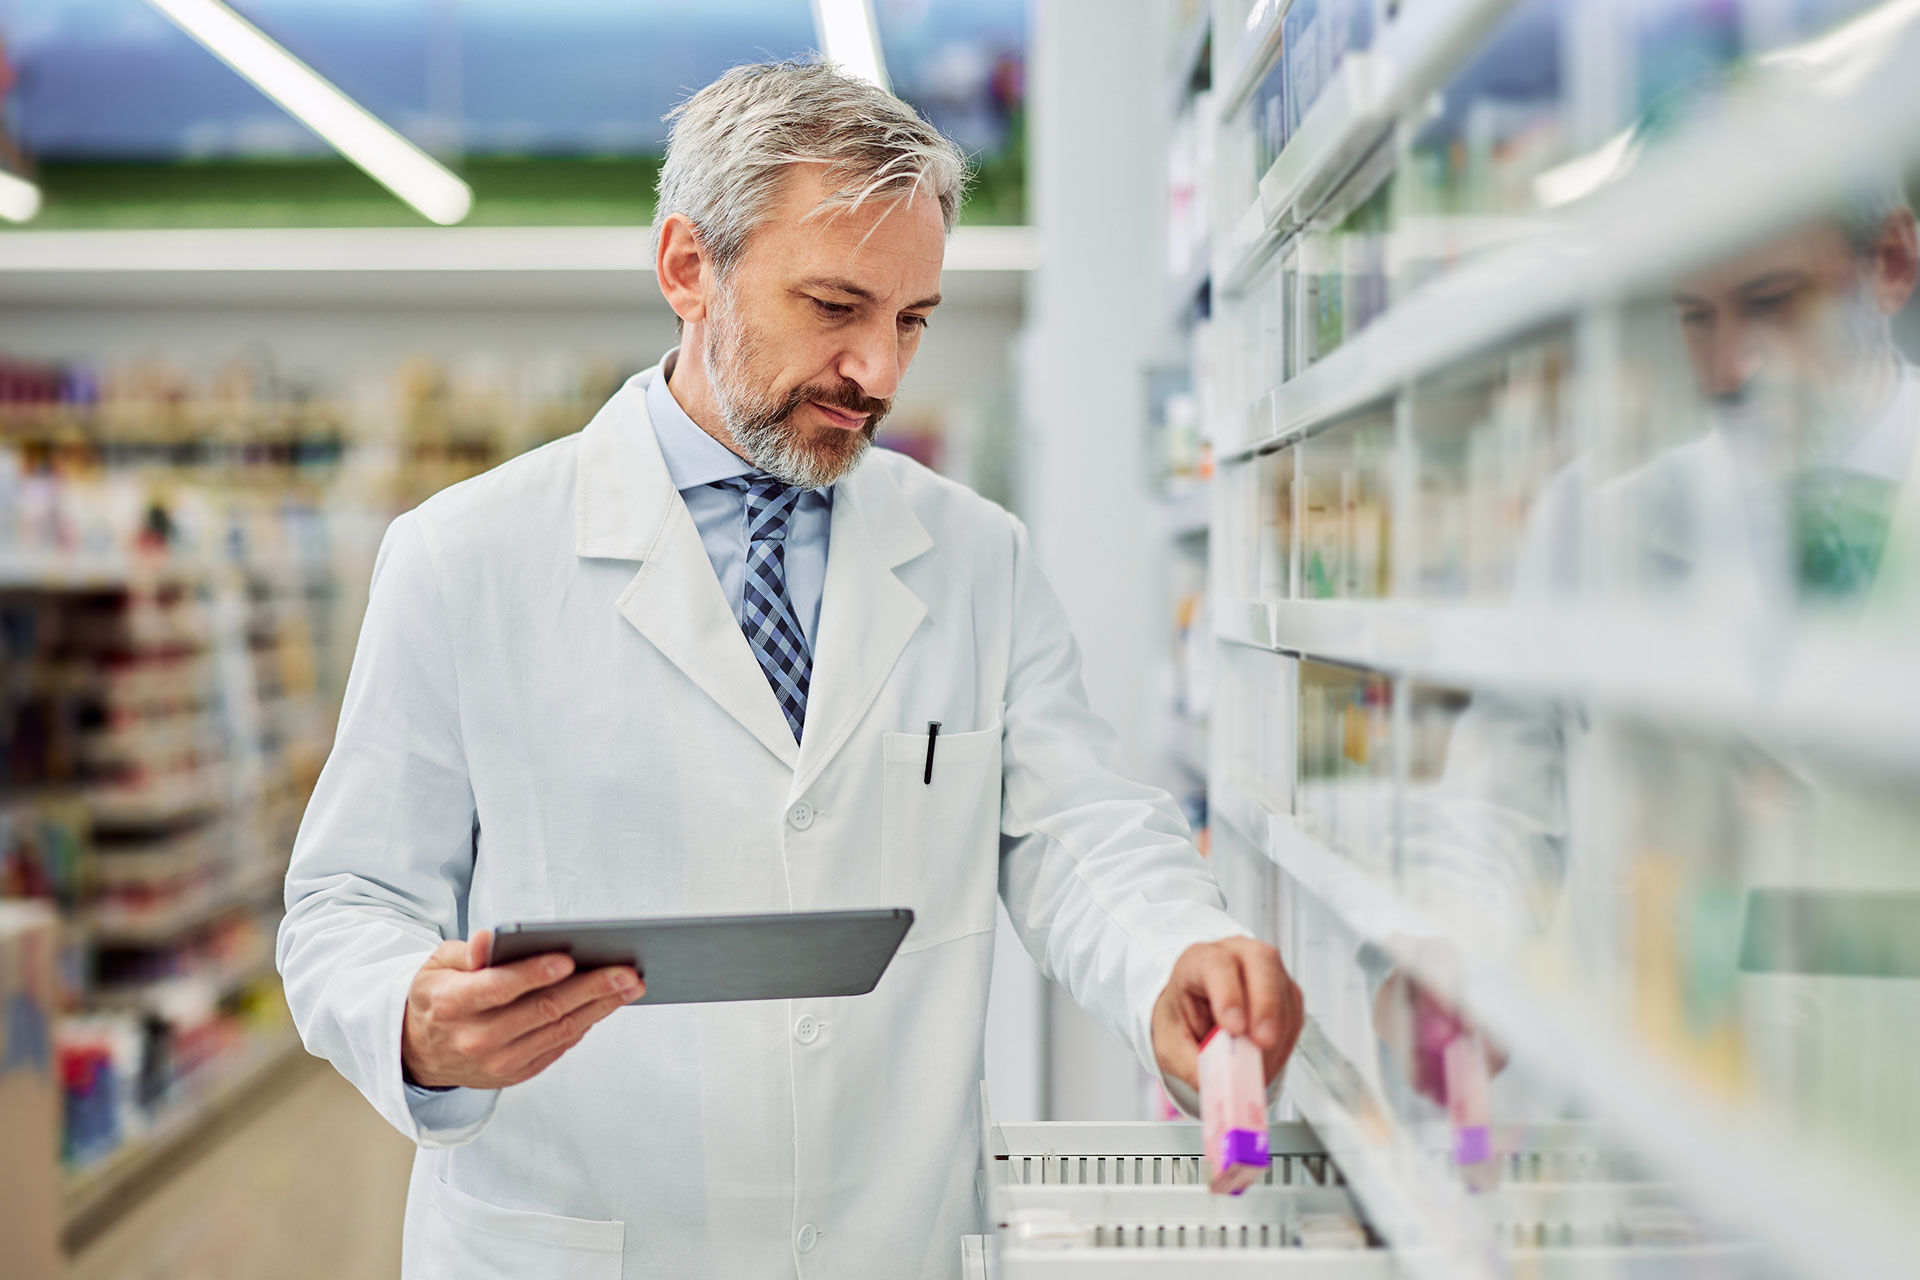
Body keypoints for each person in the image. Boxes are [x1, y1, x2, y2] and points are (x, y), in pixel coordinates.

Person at [276, 60, 1303, 1280]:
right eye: (834, 306)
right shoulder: (464, 556)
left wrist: (1171, 950)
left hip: (884, 1237)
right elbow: (343, 905)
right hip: (583, 1236)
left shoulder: (974, 556)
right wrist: (413, 1020)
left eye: (912, 319)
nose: (878, 370)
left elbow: (1076, 827)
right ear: (686, 268)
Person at [1374, 189, 1920, 1108]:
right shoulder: (1597, 520)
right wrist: (1452, 945)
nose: (1728, 365)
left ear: (1893, 264)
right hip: (1656, 1143)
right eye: (1694, 318)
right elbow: (1500, 800)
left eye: (1774, 302)